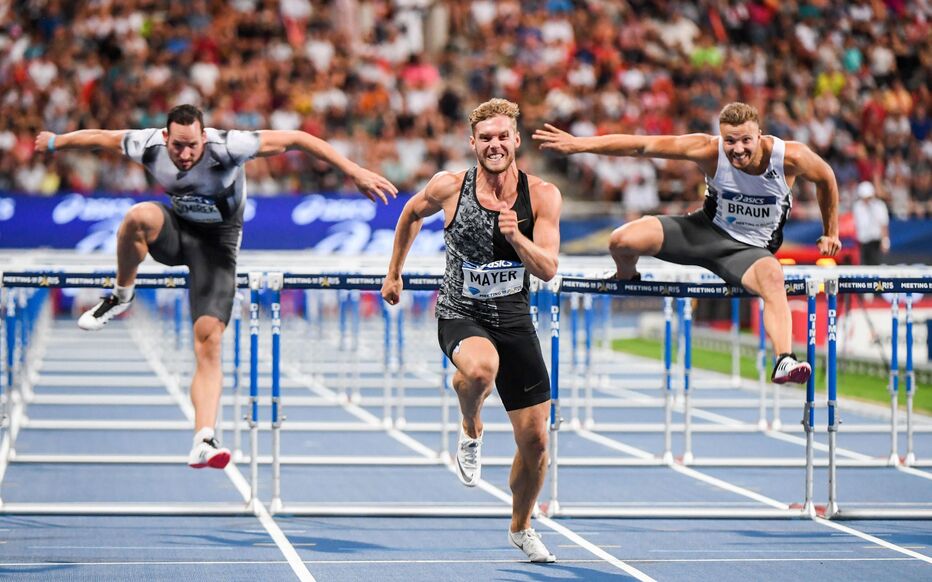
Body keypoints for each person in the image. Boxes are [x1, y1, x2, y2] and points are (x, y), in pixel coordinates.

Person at [35, 104, 397, 469]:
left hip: (217, 247)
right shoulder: (147, 145)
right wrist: (55, 143)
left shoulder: (230, 146)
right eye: (178, 146)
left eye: (192, 145)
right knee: (136, 217)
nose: (185, 154)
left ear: (204, 137)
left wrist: (354, 171)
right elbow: (102, 138)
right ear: (165, 138)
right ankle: (120, 296)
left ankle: (203, 439)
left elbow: (297, 138)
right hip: (176, 232)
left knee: (208, 341)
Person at [534, 102, 842, 384]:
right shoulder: (708, 149)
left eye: (745, 140)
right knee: (622, 240)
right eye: (730, 141)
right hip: (702, 231)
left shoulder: (791, 156)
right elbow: (642, 146)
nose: (737, 149)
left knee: (774, 277)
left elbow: (826, 178)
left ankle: (784, 360)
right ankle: (626, 275)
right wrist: (579, 145)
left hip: (749, 252)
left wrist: (831, 232)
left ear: (760, 135)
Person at [381, 98, 561, 563]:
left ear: (516, 140)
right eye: (486, 138)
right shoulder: (449, 186)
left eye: (503, 137)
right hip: (461, 311)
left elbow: (547, 269)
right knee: (481, 370)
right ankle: (471, 425)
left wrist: (517, 236)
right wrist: (394, 273)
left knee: (537, 441)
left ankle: (521, 527)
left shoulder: (542, 195)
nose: (495, 145)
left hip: (515, 317)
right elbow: (408, 216)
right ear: (473, 143)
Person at [852, 181, 890, 265]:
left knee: (875, 265)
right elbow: (856, 224)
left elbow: (883, 224)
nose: (867, 200)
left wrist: (885, 240)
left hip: (875, 241)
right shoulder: (857, 207)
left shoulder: (879, 206)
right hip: (862, 242)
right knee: (863, 265)